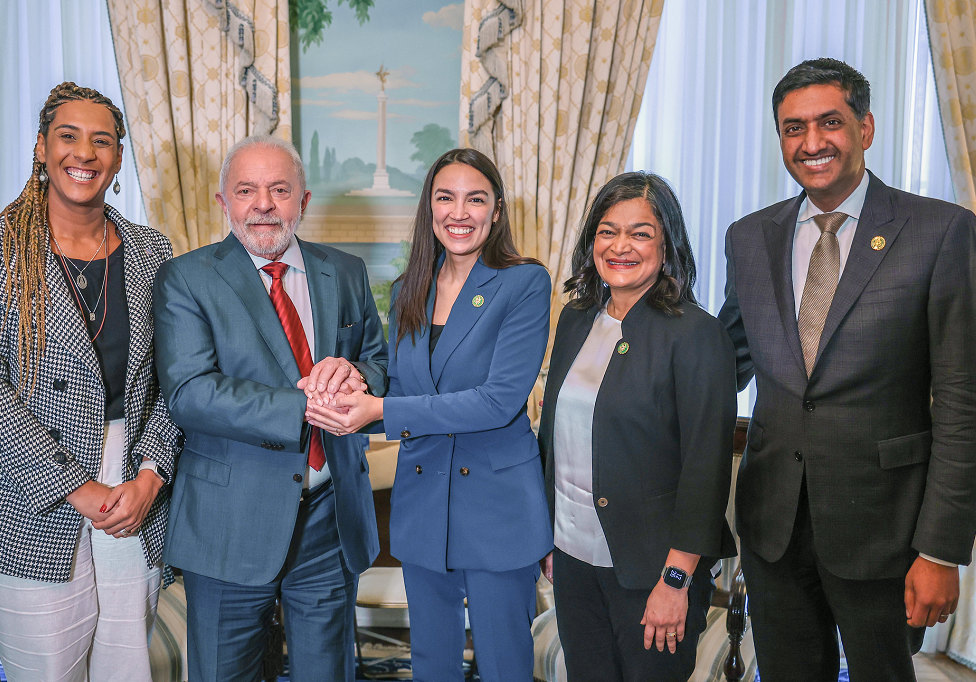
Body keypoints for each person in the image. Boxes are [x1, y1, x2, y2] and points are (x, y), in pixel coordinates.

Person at [718, 58, 976, 681]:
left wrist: (941, 549)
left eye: (829, 123)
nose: (811, 143)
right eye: (792, 128)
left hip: (886, 529)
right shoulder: (751, 237)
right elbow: (723, 361)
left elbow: (964, 401)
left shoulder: (941, 232)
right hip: (774, 526)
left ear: (866, 126)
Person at [0, 82, 179, 681]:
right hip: (25, 492)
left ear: (119, 158)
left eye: (102, 140)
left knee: (128, 666)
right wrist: (75, 487)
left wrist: (152, 477)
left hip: (131, 484)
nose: (85, 153)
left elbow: (172, 382)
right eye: (68, 136)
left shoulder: (154, 253)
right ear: (40, 149)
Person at [304, 148, 553, 682]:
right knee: (431, 668)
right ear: (429, 208)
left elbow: (497, 402)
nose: (459, 212)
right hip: (422, 508)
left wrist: (379, 408)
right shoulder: (406, 291)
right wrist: (345, 394)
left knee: (505, 666)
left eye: (475, 199)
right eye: (446, 198)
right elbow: (397, 389)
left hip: (498, 510)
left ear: (497, 210)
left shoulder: (524, 284)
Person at [153, 135, 388, 682]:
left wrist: (355, 376)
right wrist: (306, 404)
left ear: (302, 202)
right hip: (229, 523)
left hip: (330, 520)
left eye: (279, 190)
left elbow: (377, 362)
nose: (263, 204)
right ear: (223, 202)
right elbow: (189, 392)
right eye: (247, 190)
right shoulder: (187, 278)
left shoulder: (346, 271)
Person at [537, 172, 737, 681]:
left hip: (653, 570)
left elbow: (705, 471)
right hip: (573, 560)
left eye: (640, 233)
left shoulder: (696, 334)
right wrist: (551, 540)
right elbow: (556, 438)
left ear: (666, 246)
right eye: (607, 231)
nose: (620, 246)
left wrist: (676, 581)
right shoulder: (577, 318)